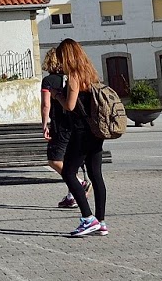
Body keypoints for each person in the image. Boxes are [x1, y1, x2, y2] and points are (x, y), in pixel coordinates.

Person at [57, 39, 109, 236]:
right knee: (96, 175)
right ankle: (101, 221)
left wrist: (57, 96)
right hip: (96, 131)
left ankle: (88, 218)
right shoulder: (91, 73)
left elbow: (70, 106)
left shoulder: (73, 77)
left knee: (69, 173)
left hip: (81, 132)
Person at [40, 42, 76, 207]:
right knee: (68, 159)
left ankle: (79, 183)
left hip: (59, 124)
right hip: (73, 124)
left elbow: (46, 105)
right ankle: (72, 194)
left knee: (54, 160)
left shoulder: (48, 81)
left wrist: (45, 124)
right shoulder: (70, 78)